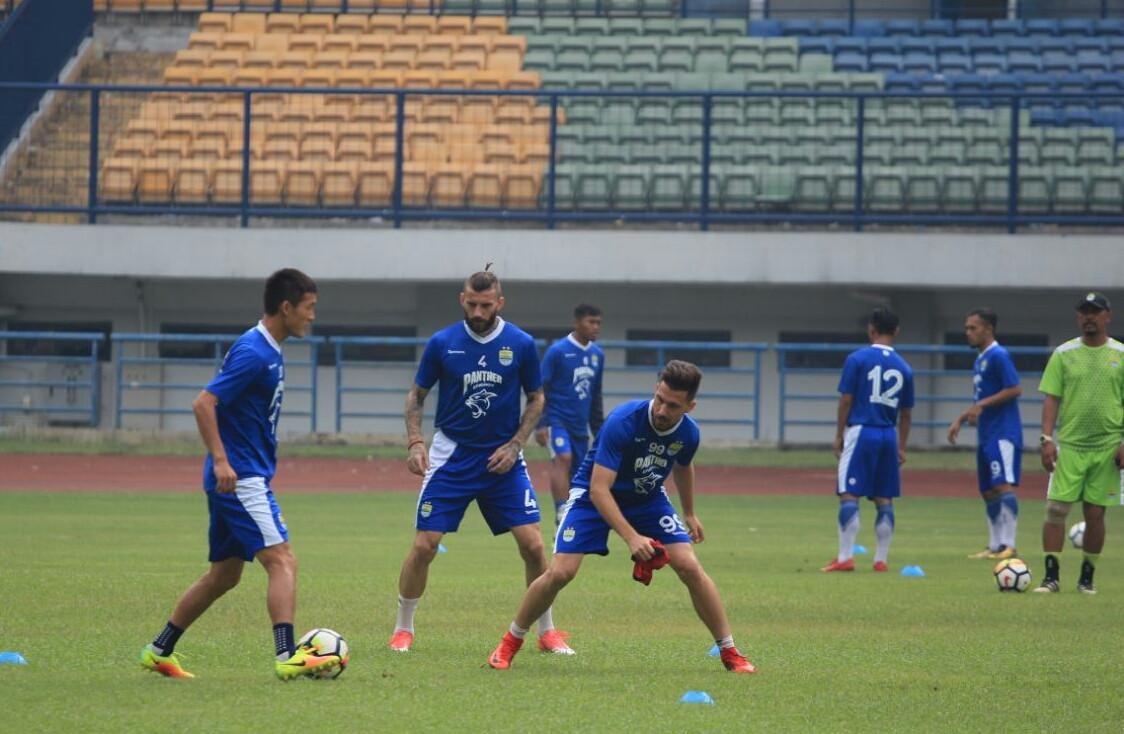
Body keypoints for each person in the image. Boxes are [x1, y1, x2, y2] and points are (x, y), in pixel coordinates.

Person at [486, 360, 757, 674]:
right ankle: (510, 642)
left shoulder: (688, 434)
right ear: (655, 390)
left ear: (690, 406)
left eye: (673, 405)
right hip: (591, 498)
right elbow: (600, 490)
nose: (661, 410)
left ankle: (730, 652)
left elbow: (683, 466)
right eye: (659, 399)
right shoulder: (624, 421)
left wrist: (690, 512)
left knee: (690, 566)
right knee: (561, 573)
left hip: (648, 499)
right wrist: (632, 538)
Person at [139, 268, 336, 680]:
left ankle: (159, 650)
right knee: (282, 560)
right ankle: (287, 657)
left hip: (237, 476)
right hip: (241, 478)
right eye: (309, 308)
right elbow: (203, 403)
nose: (313, 317)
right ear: (286, 308)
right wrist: (223, 460)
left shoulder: (267, 348)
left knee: (224, 575)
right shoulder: (255, 352)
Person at [390, 268, 572, 654]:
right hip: (452, 455)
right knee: (425, 545)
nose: (477, 311)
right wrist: (415, 442)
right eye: (471, 304)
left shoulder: (520, 344)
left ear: (499, 303)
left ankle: (546, 630)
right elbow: (417, 395)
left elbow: (536, 397)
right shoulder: (442, 343)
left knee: (534, 546)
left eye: (485, 305)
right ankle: (403, 627)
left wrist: (516, 444)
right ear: (462, 299)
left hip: (501, 459)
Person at [1034, 292, 1124, 594]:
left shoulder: (1120, 355)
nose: (1089, 317)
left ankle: (1087, 578)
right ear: (1077, 317)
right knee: (1056, 510)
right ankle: (1051, 577)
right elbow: (1051, 398)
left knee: (1095, 513)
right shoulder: (1063, 354)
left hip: (1108, 447)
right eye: (1084, 312)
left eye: (1095, 312)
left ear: (1107, 316)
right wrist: (1047, 439)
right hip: (1070, 447)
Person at [823, 307, 914, 573]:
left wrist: (839, 434)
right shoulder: (905, 368)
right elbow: (907, 413)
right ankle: (881, 560)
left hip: (862, 431)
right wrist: (902, 446)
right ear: (896, 331)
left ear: (871, 329)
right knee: (884, 497)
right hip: (889, 433)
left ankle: (844, 557)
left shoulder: (857, 359)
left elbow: (847, 399)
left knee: (849, 493)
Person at [947, 308, 1023, 560]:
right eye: (967, 328)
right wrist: (963, 417)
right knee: (988, 490)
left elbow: (1014, 389)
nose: (968, 333)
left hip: (1003, 432)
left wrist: (982, 405)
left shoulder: (999, 355)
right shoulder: (980, 359)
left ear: (988, 329)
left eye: (973, 328)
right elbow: (983, 398)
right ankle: (994, 545)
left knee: (1002, 486)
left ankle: (1009, 545)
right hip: (987, 434)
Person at [534, 304, 605, 525]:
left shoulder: (597, 355)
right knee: (563, 457)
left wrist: (599, 432)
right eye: (591, 322)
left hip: (579, 426)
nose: (596, 327)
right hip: (557, 420)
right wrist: (541, 424)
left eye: (598, 323)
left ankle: (569, 520)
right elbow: (540, 388)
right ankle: (560, 510)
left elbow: (596, 396)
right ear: (577, 323)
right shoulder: (558, 351)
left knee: (579, 473)